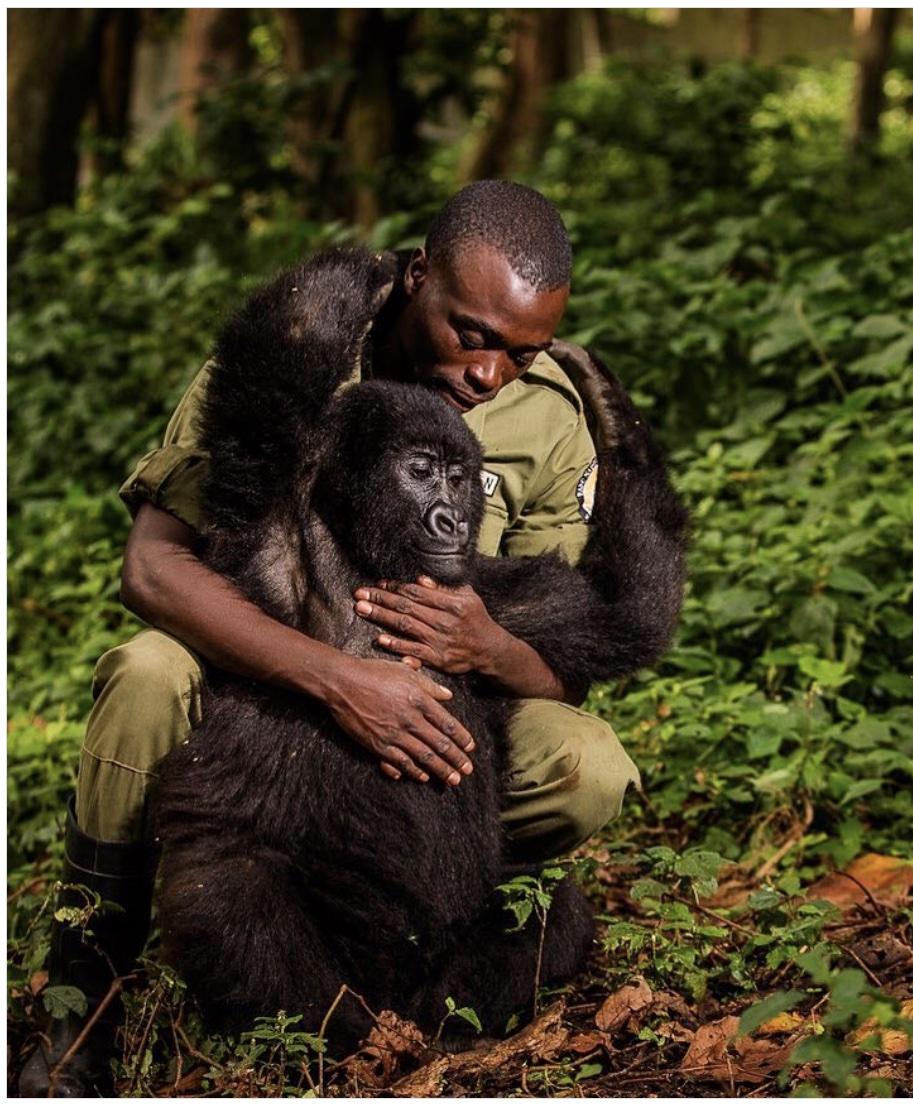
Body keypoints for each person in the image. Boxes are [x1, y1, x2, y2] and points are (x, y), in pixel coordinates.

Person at [20, 181, 642, 1096]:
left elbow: (567, 657)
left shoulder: (550, 412)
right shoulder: (307, 354)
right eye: (470, 334)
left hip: (442, 720)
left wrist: (490, 646)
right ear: (418, 277)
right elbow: (154, 568)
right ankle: (84, 998)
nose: (488, 375)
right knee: (148, 675)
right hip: (267, 670)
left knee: (589, 764)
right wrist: (335, 678)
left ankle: (401, 929)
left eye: (523, 351)